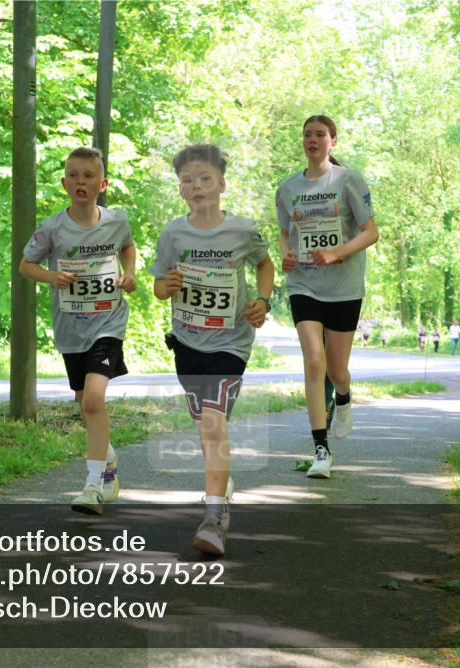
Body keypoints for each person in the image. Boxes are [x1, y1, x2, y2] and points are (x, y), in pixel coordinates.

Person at [152, 144, 274, 556]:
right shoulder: (172, 234)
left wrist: (263, 299)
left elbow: (265, 263)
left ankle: (213, 517)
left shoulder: (241, 230)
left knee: (211, 421)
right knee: (207, 429)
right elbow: (157, 285)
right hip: (187, 342)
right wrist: (164, 286)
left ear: (221, 184)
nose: (196, 186)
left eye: (204, 179)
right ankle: (221, 483)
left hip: (230, 343)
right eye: (188, 180)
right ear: (181, 188)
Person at [20, 147, 137, 515]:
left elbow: (128, 247)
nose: (80, 181)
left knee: (92, 401)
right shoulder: (52, 227)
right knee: (83, 403)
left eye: (88, 176)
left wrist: (128, 272)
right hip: (71, 327)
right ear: (64, 183)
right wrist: (53, 276)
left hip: (109, 322)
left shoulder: (117, 220)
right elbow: (26, 265)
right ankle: (108, 456)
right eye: (74, 175)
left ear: (101, 184)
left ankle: (93, 485)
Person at [277, 114, 379, 480]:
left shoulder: (349, 179)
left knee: (337, 370)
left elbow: (371, 232)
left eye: (320, 134)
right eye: (307, 134)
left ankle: (345, 393)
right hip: (304, 283)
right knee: (313, 359)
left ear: (333, 141)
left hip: (345, 286)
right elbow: (285, 232)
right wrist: (286, 254)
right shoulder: (288, 188)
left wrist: (339, 252)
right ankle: (321, 448)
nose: (313, 140)